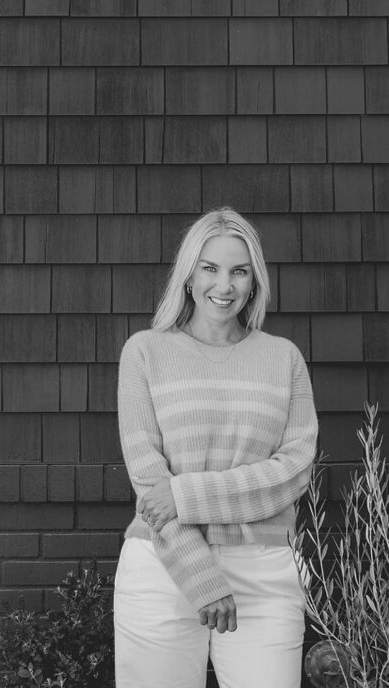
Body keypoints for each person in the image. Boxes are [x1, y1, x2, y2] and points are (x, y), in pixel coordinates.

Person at [114, 207, 318, 688]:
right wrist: (201, 576)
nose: (223, 286)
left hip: (263, 573)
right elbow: (149, 482)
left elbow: (292, 473)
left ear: (254, 281)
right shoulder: (145, 352)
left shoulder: (282, 358)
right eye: (210, 268)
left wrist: (185, 495)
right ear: (188, 276)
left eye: (239, 271)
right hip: (163, 566)